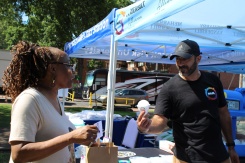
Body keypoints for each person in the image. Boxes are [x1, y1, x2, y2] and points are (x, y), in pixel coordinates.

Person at [137, 39, 240, 163]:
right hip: (187, 158)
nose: (180, 63)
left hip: (218, 156)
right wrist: (147, 127)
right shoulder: (169, 88)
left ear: (198, 59)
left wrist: (231, 146)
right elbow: (160, 120)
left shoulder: (213, 81)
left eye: (185, 59)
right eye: (177, 59)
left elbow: (223, 113)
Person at [2, 41, 98, 163]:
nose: (72, 71)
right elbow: (19, 154)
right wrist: (71, 137)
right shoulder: (29, 99)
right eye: (68, 65)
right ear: (52, 68)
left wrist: (81, 138)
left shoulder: (54, 99)